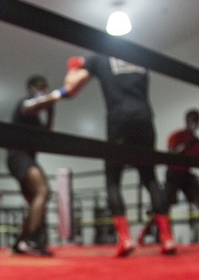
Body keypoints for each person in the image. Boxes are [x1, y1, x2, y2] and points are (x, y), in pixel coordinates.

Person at [62, 55, 170, 257]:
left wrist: (73, 68)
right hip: (145, 118)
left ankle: (125, 239)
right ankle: (168, 238)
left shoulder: (99, 60)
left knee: (113, 179)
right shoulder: (140, 58)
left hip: (119, 120)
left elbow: (71, 89)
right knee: (150, 178)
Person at [8, 75, 60, 256]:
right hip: (18, 156)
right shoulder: (24, 103)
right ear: (30, 88)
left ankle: (21, 242)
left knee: (35, 200)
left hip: (26, 157)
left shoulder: (37, 117)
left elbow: (45, 136)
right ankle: (32, 240)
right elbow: (30, 107)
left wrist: (51, 112)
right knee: (43, 191)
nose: (43, 90)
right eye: (39, 87)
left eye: (46, 87)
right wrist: (52, 97)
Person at [160, 109, 199, 251]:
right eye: (193, 120)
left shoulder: (198, 141)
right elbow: (170, 154)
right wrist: (185, 146)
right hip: (173, 173)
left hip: (187, 175)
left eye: (198, 121)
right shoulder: (177, 135)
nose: (195, 124)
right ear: (187, 121)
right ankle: (150, 233)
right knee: (165, 205)